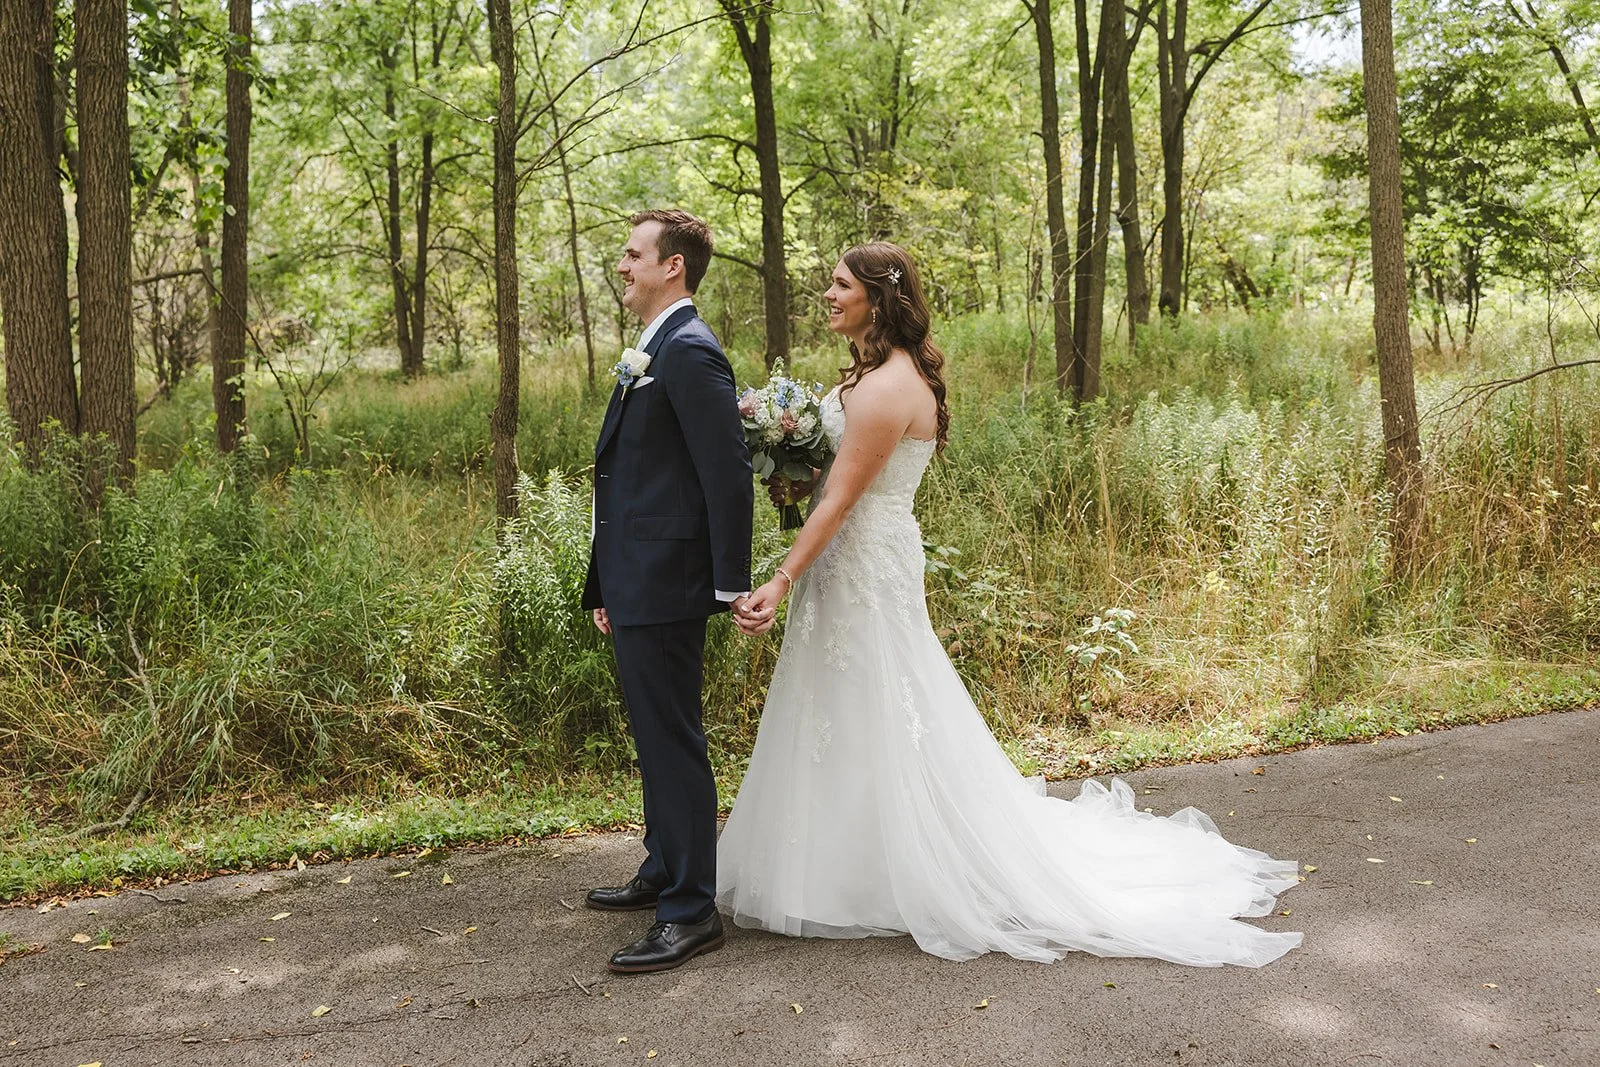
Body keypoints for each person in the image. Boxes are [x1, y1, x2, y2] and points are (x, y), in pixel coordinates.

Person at [719, 242, 1303, 967]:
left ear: (879, 296)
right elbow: (829, 484)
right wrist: (788, 465)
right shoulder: (867, 377)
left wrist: (779, 577)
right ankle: (845, 857)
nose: (828, 294)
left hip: (863, 561)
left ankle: (887, 866)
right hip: (855, 559)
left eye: (841, 284)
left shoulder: (883, 388)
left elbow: (841, 500)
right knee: (847, 699)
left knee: (881, 692)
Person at [582, 209, 753, 974]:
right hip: (636, 576)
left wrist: (729, 585)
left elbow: (727, 477)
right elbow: (624, 478)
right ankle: (663, 868)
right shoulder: (652, 348)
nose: (621, 265)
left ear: (671, 267)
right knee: (652, 736)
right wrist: (604, 581)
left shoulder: (689, 351)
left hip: (672, 582)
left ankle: (691, 911)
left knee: (674, 740)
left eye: (632, 254)